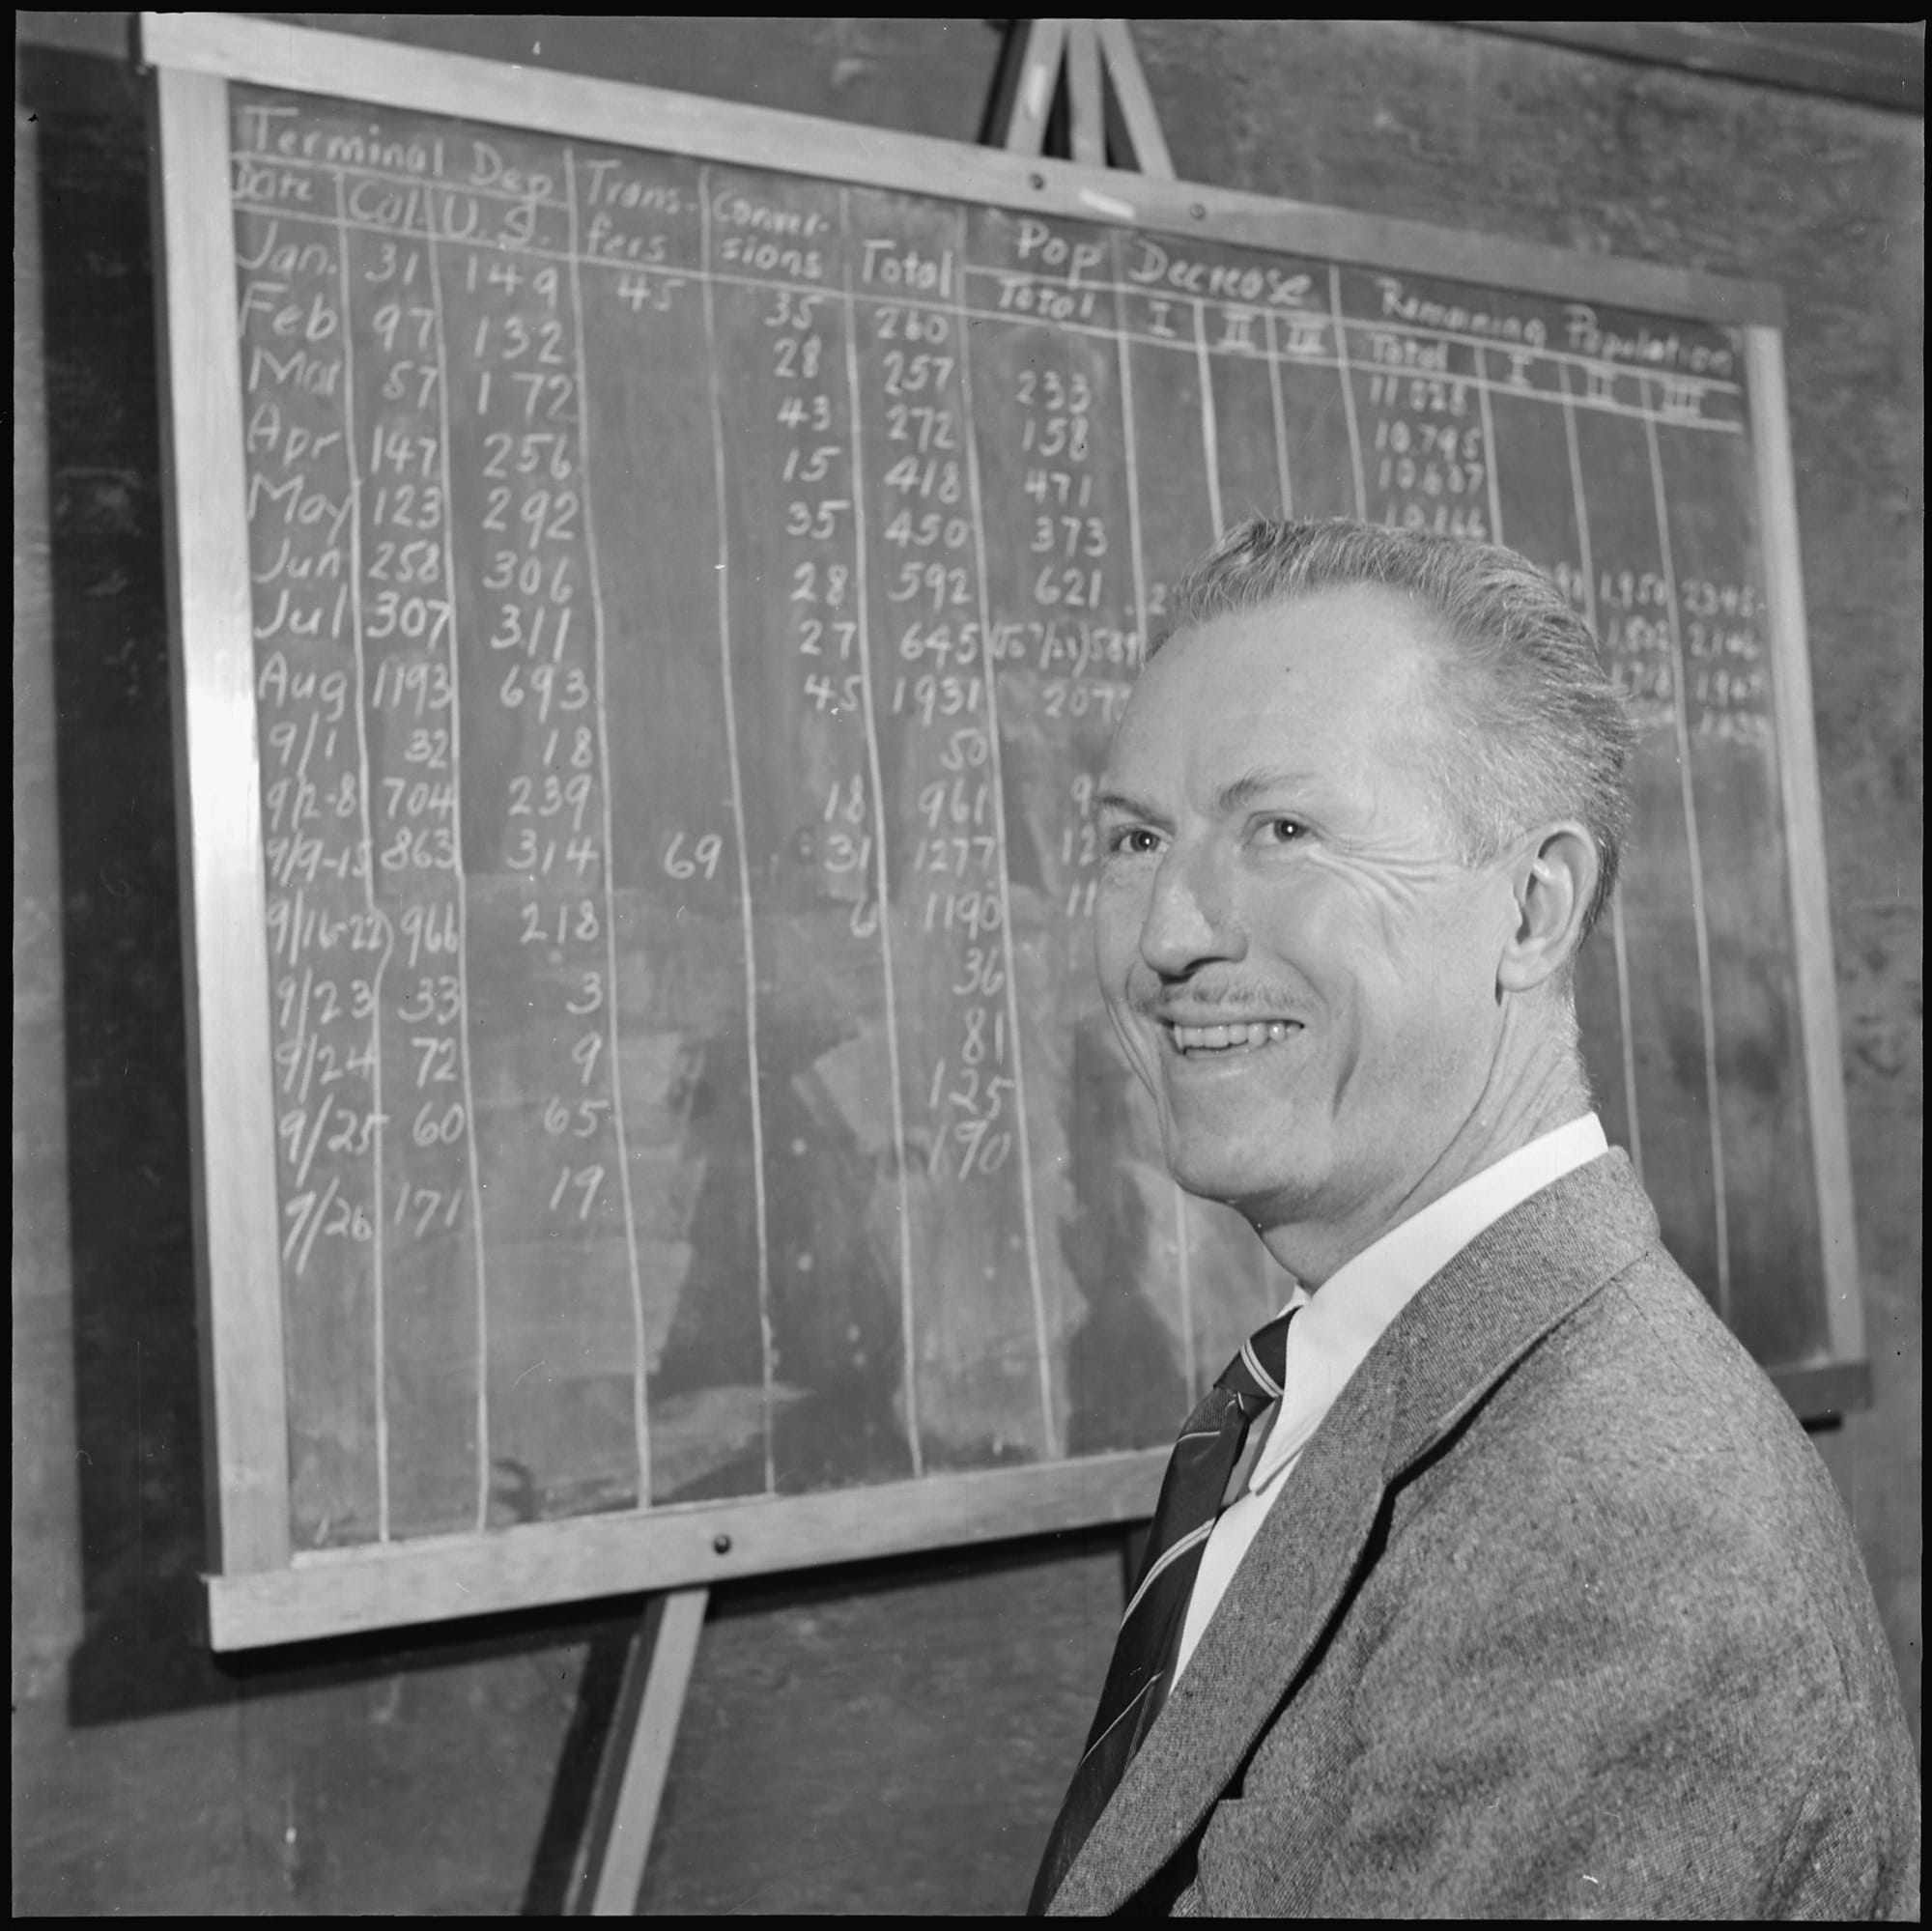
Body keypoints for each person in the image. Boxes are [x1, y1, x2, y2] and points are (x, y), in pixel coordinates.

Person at [1030, 519, 1919, 1917]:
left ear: (1532, 910)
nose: (1167, 933)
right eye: (1137, 838)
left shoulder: (1619, 1538)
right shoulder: (1341, 1396)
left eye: (1284, 831)